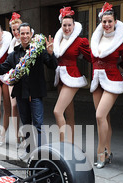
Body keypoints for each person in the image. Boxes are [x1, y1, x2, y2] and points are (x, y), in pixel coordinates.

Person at [0, 22, 57, 159]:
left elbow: (52, 66)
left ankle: (42, 152)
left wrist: (51, 53)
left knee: (38, 124)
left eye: (27, 33)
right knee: (26, 124)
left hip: (36, 93)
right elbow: (2, 70)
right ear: (18, 35)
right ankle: (30, 150)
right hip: (21, 94)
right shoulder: (14, 54)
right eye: (22, 33)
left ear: (31, 34)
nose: (25, 36)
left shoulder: (38, 50)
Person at [90, 3, 123, 169]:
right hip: (97, 81)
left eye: (110, 21)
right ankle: (108, 152)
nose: (107, 24)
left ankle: (100, 152)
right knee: (104, 119)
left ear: (115, 22)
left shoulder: (122, 42)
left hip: (112, 80)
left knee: (100, 116)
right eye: (104, 21)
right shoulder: (96, 39)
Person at [53, 7, 91, 143]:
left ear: (74, 25)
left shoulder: (80, 41)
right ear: (61, 25)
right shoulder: (57, 41)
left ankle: (63, 146)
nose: (67, 28)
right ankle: (71, 144)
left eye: (70, 25)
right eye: (65, 25)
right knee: (69, 114)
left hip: (72, 77)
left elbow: (92, 57)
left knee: (57, 111)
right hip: (60, 78)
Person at [7, 12, 24, 147]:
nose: (16, 32)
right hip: (12, 76)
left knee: (24, 105)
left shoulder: (27, 40)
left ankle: (26, 133)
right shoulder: (11, 44)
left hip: (25, 78)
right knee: (14, 105)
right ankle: (17, 134)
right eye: (13, 30)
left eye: (18, 29)